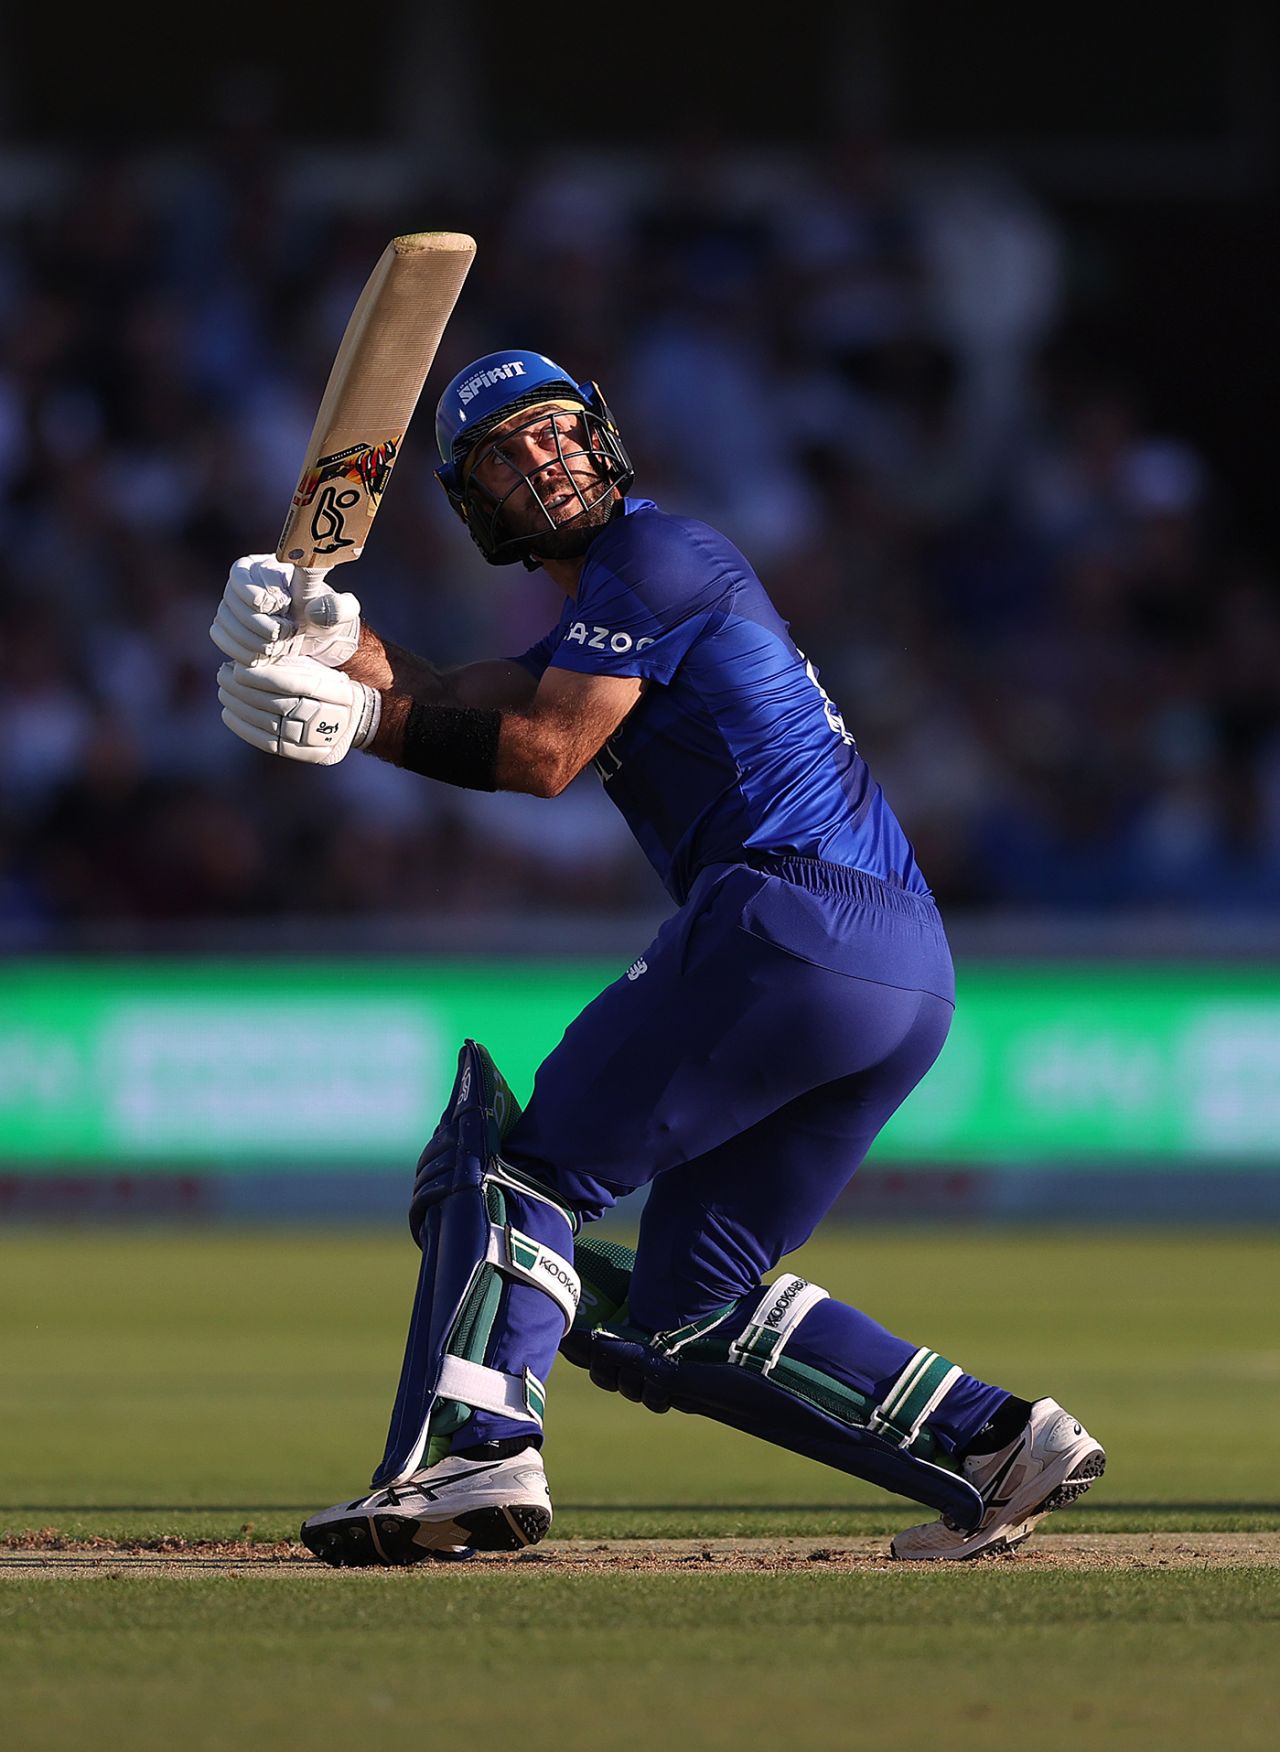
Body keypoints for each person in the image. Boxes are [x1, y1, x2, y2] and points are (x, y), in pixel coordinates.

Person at [211, 348, 1104, 1564]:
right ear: (474, 503)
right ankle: (993, 1438)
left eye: (553, 432)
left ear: (602, 438)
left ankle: (475, 1452)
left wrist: (360, 720)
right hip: (901, 972)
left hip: (787, 926)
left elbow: (540, 753)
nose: (542, 460)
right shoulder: (616, 603)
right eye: (507, 453)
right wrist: (331, 637)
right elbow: (458, 693)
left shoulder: (655, 555)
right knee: (688, 1307)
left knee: (514, 1177)